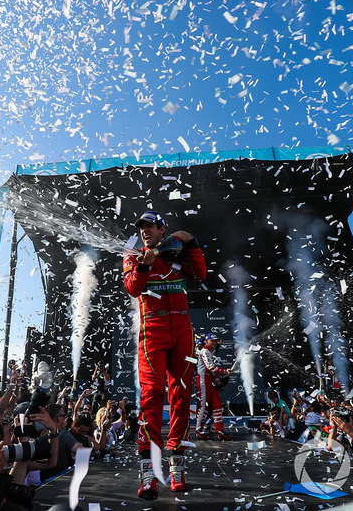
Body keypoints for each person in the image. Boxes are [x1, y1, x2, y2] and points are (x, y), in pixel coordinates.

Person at [123, 209, 206, 499]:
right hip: (152, 334)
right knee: (151, 396)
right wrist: (144, 267)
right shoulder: (133, 254)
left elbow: (201, 273)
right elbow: (133, 288)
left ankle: (176, 464)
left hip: (184, 333)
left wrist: (192, 243)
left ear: (162, 229)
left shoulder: (178, 253)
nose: (145, 231)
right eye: (141, 227)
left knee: (182, 396)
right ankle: (149, 472)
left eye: (150, 226)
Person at [195, 333, 232, 441]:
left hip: (209, 380)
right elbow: (210, 367)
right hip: (203, 381)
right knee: (204, 407)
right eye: (212, 341)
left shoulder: (209, 352)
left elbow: (210, 371)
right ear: (206, 341)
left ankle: (220, 431)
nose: (215, 343)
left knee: (217, 406)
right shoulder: (205, 351)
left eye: (216, 341)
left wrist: (216, 380)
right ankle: (199, 430)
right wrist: (224, 371)